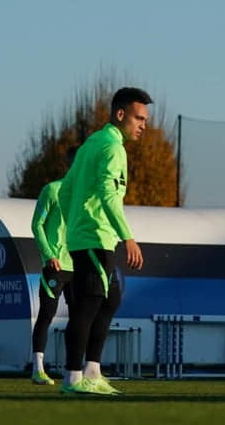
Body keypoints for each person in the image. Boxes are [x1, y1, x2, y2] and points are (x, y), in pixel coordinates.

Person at [57, 87, 149, 396]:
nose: (143, 125)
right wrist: (128, 238)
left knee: (109, 301)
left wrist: (73, 225)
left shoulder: (90, 145)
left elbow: (66, 191)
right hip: (97, 237)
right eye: (138, 118)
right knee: (87, 307)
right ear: (120, 114)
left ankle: (92, 371)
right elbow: (109, 196)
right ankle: (72, 378)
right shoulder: (113, 148)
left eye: (145, 120)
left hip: (87, 235)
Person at [28, 148, 77, 386]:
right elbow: (36, 225)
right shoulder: (52, 190)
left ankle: (75, 370)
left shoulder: (86, 194)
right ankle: (38, 369)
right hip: (55, 266)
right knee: (46, 315)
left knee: (80, 319)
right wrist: (48, 255)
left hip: (77, 265)